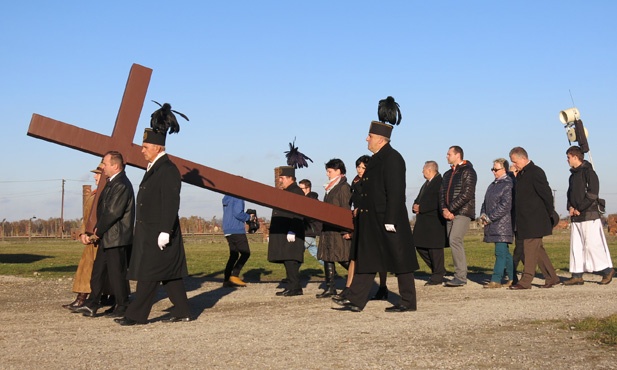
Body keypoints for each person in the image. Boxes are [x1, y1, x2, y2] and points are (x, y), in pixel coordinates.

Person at [333, 120, 418, 312]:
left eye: (369, 136)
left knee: (400, 259)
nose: (366, 139)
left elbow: (396, 192)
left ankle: (408, 301)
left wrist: (390, 219)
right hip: (372, 220)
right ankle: (356, 300)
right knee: (368, 258)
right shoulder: (377, 159)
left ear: (380, 139)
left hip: (387, 219)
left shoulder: (393, 159)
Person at [115, 128, 191, 325]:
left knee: (149, 273)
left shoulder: (168, 169)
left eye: (145, 147)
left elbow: (171, 202)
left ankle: (135, 315)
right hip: (150, 231)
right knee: (170, 273)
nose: (142, 150)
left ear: (157, 147)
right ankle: (183, 311)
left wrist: (166, 230)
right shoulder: (154, 168)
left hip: (159, 232)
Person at [73, 151, 134, 317]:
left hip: (116, 237)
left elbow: (113, 212)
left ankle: (123, 306)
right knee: (98, 271)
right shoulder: (112, 183)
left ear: (115, 165)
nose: (103, 167)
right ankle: (92, 304)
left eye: (105, 164)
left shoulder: (121, 184)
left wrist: (97, 231)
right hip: (108, 237)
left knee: (117, 274)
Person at [509, 147, 560, 290]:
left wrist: (550, 213)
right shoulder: (520, 174)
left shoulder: (536, 172)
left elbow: (546, 194)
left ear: (523, 158)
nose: (514, 165)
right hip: (525, 220)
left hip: (535, 219)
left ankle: (526, 281)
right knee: (538, 251)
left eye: (515, 162)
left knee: (529, 250)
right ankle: (552, 277)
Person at [563, 146, 614, 285]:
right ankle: (577, 274)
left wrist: (580, 208)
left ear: (575, 156)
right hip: (576, 216)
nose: (567, 160)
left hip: (589, 215)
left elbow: (592, 194)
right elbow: (570, 194)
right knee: (576, 246)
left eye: (568, 157)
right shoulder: (573, 175)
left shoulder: (589, 173)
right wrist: (571, 207)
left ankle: (607, 270)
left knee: (592, 245)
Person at [62, 163, 104, 309]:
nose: (95, 176)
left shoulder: (104, 194)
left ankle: (84, 298)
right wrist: (81, 232)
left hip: (98, 239)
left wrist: (94, 235)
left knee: (93, 271)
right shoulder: (94, 194)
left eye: (98, 174)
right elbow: (86, 218)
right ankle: (83, 297)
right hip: (89, 238)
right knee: (86, 269)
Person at [439, 146, 477, 287]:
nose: (446, 156)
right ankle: (459, 274)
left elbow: (467, 194)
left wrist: (451, 209)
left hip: (463, 212)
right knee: (452, 240)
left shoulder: (469, 171)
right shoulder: (447, 174)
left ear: (458, 155)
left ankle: (460, 277)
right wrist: (444, 209)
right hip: (449, 213)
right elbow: (442, 193)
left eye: (449, 154)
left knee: (455, 239)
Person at [315, 159, 352, 298]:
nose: (327, 174)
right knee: (327, 258)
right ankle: (330, 287)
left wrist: (346, 230)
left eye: (329, 171)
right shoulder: (330, 187)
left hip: (338, 229)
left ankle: (359, 281)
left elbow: (345, 209)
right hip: (328, 228)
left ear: (338, 171)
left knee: (343, 258)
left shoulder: (343, 187)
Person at [268, 166, 306, 297]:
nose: (280, 180)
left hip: (292, 231)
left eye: (282, 178)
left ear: (291, 178)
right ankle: (292, 286)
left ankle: (295, 287)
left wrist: (293, 230)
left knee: (291, 259)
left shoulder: (296, 192)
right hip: (286, 231)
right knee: (288, 259)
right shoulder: (288, 191)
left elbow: (299, 213)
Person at [479, 158, 514, 288]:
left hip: (503, 224)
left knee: (500, 252)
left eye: (496, 169)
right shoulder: (492, 184)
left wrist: (490, 218)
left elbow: (505, 206)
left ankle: (496, 280)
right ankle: (512, 277)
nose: (493, 171)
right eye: (492, 169)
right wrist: (483, 214)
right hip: (493, 223)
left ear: (504, 169)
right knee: (505, 253)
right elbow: (485, 202)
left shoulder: (508, 184)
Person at [413, 160, 447, 286]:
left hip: (435, 221)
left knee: (435, 249)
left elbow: (437, 201)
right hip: (423, 222)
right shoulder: (426, 184)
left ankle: (437, 275)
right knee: (420, 246)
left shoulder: (440, 182)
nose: (422, 171)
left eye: (423, 169)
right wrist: (415, 206)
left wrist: (421, 208)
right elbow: (419, 198)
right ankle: (438, 270)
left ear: (430, 170)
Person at [221, 195, 254, 287]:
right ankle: (234, 276)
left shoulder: (226, 197)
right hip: (236, 229)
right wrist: (249, 217)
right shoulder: (238, 197)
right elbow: (238, 213)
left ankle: (227, 279)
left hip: (227, 229)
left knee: (234, 255)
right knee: (245, 253)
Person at [298, 179, 323, 265]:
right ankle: (331, 270)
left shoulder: (309, 201)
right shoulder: (311, 200)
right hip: (310, 233)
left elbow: (310, 218)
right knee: (316, 254)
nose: (299, 191)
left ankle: (292, 275)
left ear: (308, 188)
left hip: (307, 232)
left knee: (297, 255)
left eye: (302, 188)